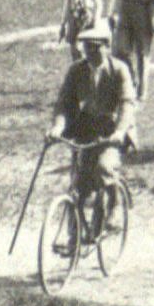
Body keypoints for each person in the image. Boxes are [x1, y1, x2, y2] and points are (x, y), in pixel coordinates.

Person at [48, 24, 136, 239]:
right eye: (86, 48)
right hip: (86, 128)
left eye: (95, 48)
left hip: (112, 128)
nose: (90, 53)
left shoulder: (119, 70)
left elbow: (127, 104)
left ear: (107, 46)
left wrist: (120, 131)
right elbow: (64, 103)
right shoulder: (77, 70)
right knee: (77, 185)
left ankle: (114, 207)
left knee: (105, 167)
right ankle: (74, 237)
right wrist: (58, 127)